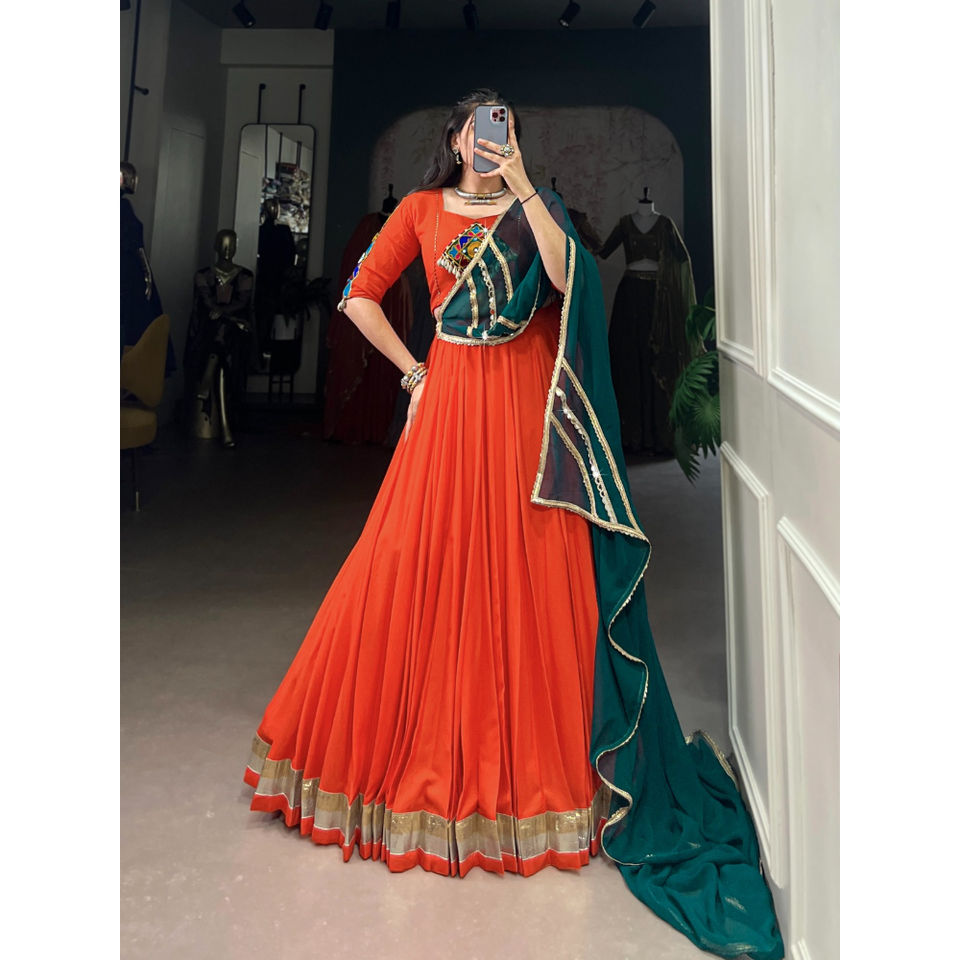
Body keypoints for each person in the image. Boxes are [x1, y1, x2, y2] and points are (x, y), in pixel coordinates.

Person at [243, 89, 784, 960]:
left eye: (504, 127)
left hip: (534, 419)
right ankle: (428, 760)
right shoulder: (420, 212)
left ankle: (552, 776)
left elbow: (569, 283)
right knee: (422, 568)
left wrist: (527, 187)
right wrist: (414, 374)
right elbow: (358, 297)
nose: (489, 139)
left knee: (539, 578)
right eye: (477, 126)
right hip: (454, 405)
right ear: (454, 138)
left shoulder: (542, 208)